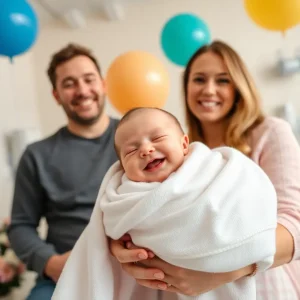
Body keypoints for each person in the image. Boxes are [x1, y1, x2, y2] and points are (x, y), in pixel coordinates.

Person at [110, 41, 300, 299]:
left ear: (239, 86)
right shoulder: (171, 155)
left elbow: (295, 224)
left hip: (264, 286)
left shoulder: (270, 133)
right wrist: (122, 243)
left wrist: (221, 273)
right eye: (199, 79)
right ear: (186, 87)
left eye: (222, 80)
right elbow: (150, 210)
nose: (209, 90)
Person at [52, 107, 277, 300]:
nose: (146, 150)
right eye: (131, 150)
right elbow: (111, 228)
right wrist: (115, 242)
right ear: (122, 168)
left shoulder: (214, 171)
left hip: (224, 275)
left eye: (157, 139)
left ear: (185, 144)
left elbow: (246, 200)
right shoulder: (123, 197)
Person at [7, 43, 119, 300]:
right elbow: (21, 226)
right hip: (66, 274)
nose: (82, 90)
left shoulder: (139, 139)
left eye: (89, 80)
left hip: (135, 270)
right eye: (69, 84)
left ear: (103, 84)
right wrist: (50, 263)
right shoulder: (37, 155)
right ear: (56, 95)